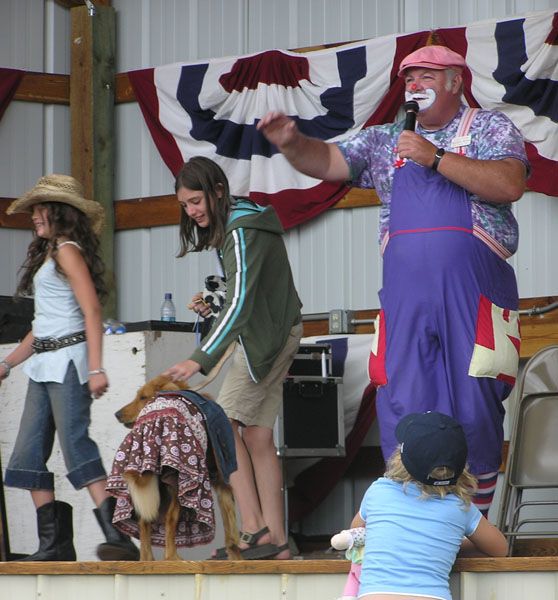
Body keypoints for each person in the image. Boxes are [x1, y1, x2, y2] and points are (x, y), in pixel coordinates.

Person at [258, 45, 530, 516]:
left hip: (476, 297)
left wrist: (435, 157)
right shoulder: (386, 139)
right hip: (405, 301)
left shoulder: (487, 127)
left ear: (455, 83)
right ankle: (411, 522)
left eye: (426, 76)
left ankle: (474, 526)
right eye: (408, 79)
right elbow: (327, 162)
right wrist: (292, 143)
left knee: (476, 405)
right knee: (403, 401)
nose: (415, 85)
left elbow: (509, 184)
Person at [162, 156, 303, 559]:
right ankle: (277, 541)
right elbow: (241, 297)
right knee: (257, 436)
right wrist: (213, 315)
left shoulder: (241, 230)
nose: (191, 211)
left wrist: (200, 358)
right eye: (185, 205)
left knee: (222, 424)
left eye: (196, 201)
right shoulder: (242, 222)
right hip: (276, 331)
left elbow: (240, 303)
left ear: (218, 191)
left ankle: (253, 529)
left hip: (266, 339)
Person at [0, 174, 139, 562]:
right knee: (27, 456)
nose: (34, 216)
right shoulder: (51, 254)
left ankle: (119, 536)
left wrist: (96, 367)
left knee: (75, 444)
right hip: (44, 366)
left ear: (59, 212)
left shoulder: (67, 250)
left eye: (41, 209)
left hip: (69, 365)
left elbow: (92, 310)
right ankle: (55, 544)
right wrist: (7, 364)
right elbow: (40, 329)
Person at [350, 411, 507, 600]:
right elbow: (500, 549)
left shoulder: (378, 491)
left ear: (401, 457)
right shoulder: (459, 507)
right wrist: (452, 543)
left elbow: (356, 531)